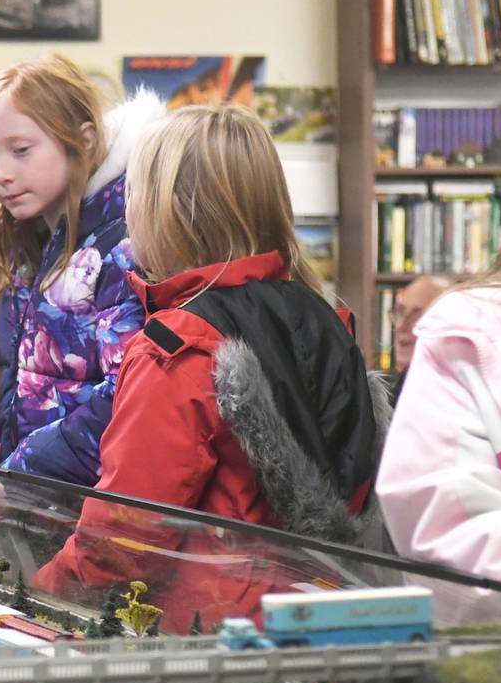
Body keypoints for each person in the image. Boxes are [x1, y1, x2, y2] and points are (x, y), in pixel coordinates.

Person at [39, 105, 388, 634]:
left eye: (135, 193)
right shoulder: (322, 318)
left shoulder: (178, 346)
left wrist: (36, 594)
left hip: (206, 641)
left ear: (172, 210)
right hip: (317, 623)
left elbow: (124, 539)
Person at [0, 55, 164, 484]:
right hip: (39, 496)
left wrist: (20, 467)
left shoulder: (124, 246)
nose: (0, 175)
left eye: (20, 150)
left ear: (84, 140)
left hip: (99, 506)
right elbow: (23, 380)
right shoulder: (26, 246)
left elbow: (130, 399)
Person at [377, 180, 501, 628]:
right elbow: (445, 533)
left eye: (416, 314)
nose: (406, 327)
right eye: (400, 313)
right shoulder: (468, 340)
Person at [391, 274, 452, 400]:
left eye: (417, 315)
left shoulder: (452, 398)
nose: (401, 326)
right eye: (400, 312)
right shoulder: (403, 385)